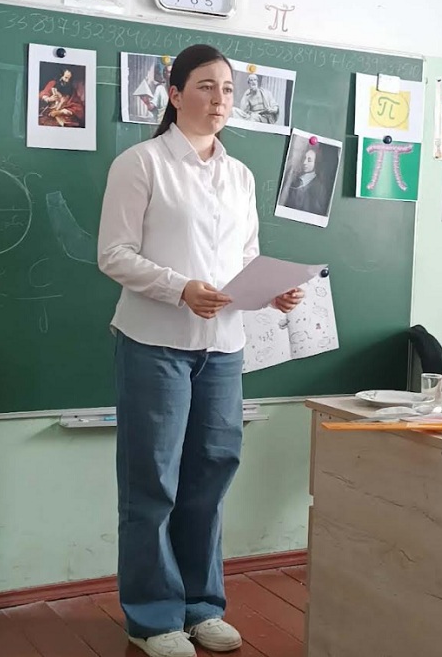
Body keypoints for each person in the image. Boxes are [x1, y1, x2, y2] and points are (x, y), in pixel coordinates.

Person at [98, 44, 303, 657]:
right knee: (152, 483)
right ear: (175, 93)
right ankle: (152, 619)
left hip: (224, 348)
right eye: (206, 86)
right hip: (155, 343)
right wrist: (179, 288)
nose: (220, 99)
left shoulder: (239, 175)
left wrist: (270, 291)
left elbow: (244, 258)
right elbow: (113, 255)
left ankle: (201, 606)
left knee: (210, 477)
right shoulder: (141, 163)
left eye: (228, 89)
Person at [280, 146, 331, 216]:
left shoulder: (319, 188)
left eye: (309, 160)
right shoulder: (295, 181)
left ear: (316, 163)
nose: (304, 162)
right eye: (304, 158)